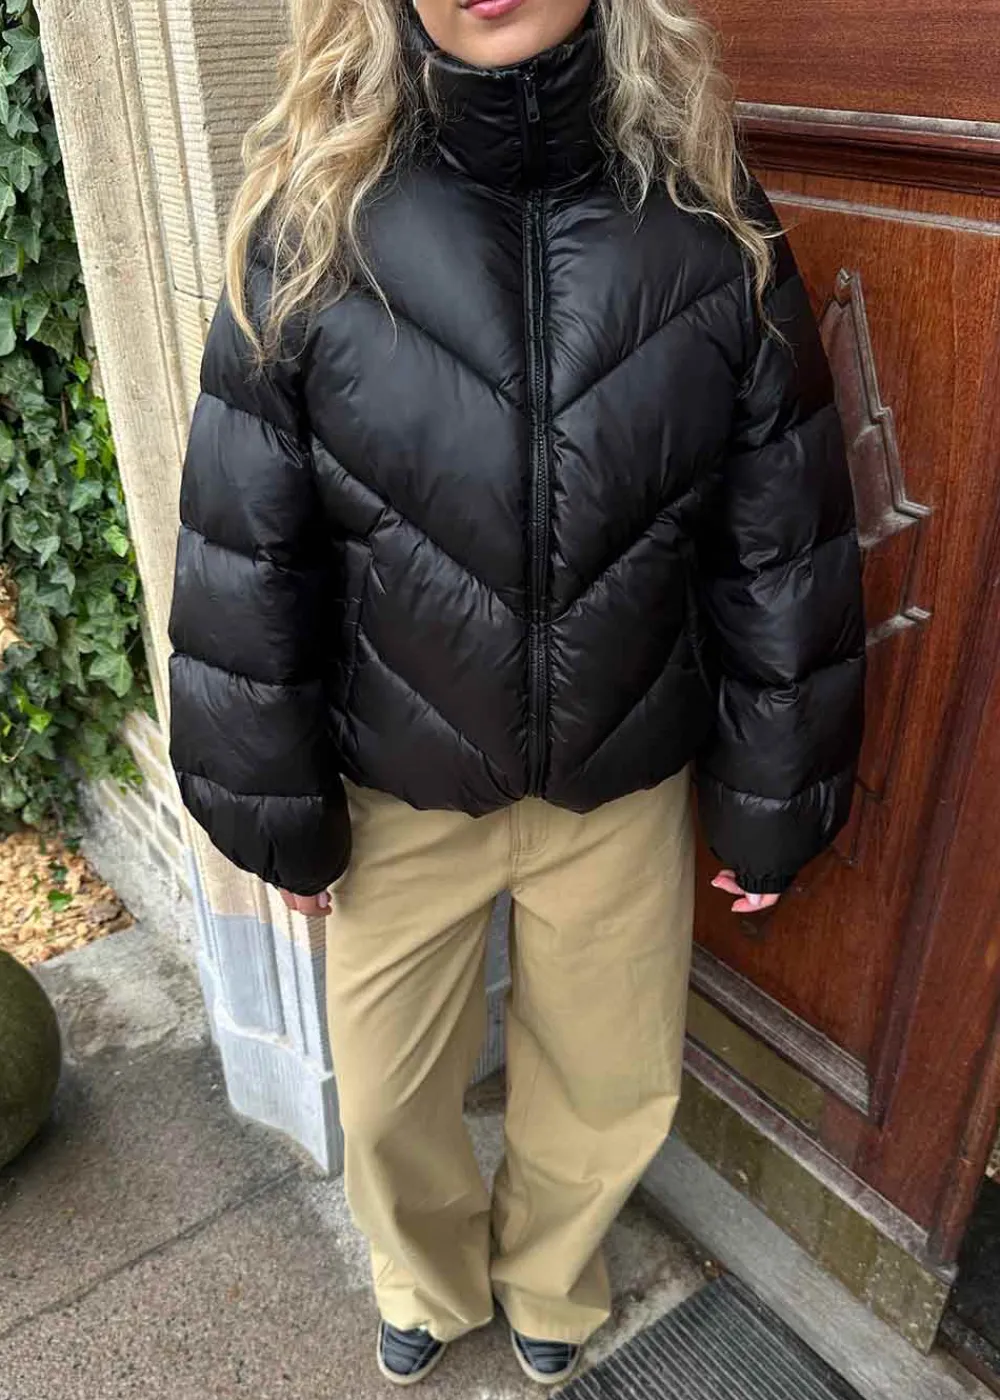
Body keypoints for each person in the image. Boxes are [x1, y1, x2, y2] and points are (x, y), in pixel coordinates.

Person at [167, 0, 866, 1386]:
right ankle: (423, 1277)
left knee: (611, 1077)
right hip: (399, 784)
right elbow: (247, 545)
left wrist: (776, 791)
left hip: (621, 777)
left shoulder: (707, 221)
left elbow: (781, 532)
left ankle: (553, 1274)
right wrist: (272, 808)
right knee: (384, 1096)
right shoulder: (314, 223)